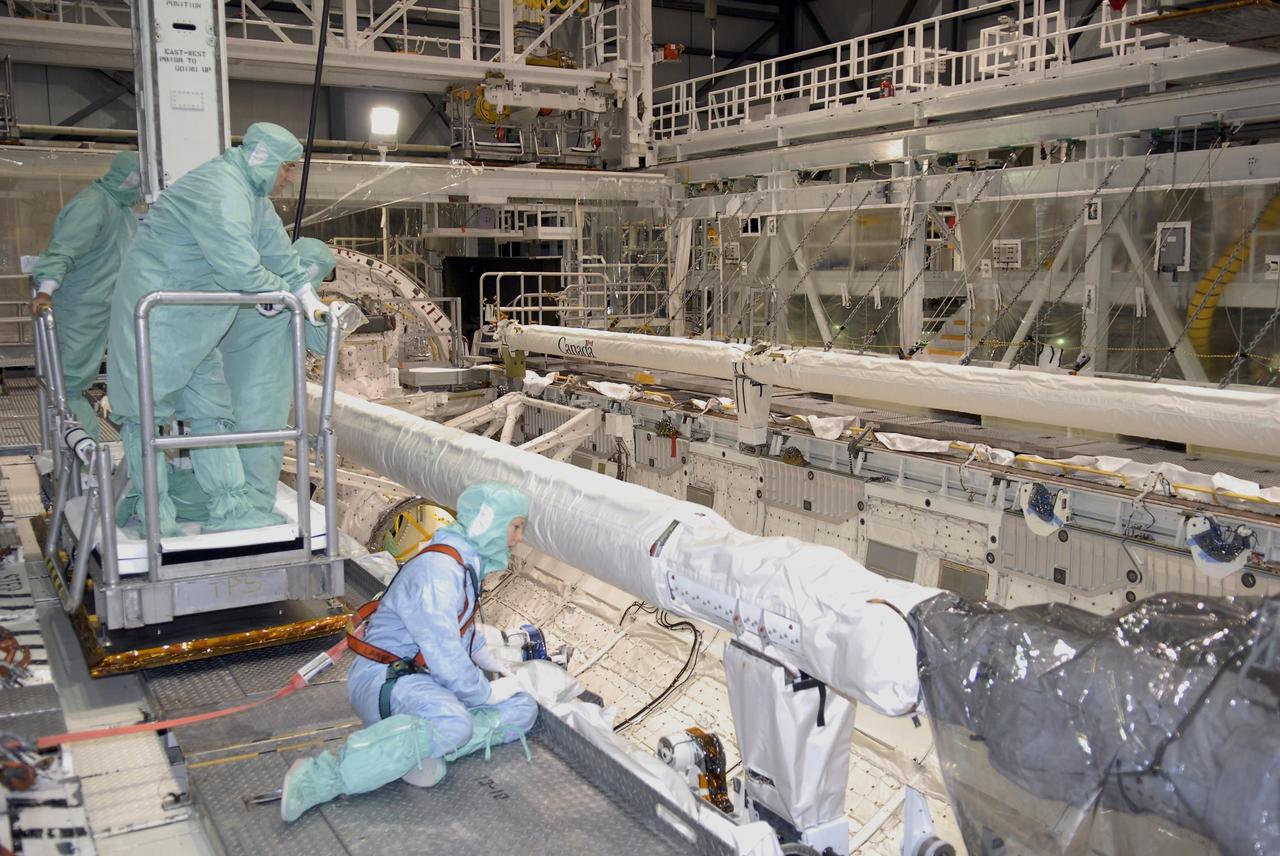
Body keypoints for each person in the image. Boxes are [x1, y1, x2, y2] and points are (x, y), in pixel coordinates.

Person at [106, 122, 327, 536]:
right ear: (264, 158)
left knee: (213, 411)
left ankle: (230, 508)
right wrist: (278, 294)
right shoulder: (221, 187)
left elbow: (275, 247)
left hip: (198, 321)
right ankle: (154, 514)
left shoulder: (251, 195)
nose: (289, 177)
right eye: (287, 168)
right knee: (146, 415)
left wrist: (306, 293)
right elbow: (237, 262)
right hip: (158, 317)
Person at [281, 482, 538, 822]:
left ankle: (415, 747)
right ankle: (320, 777)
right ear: (488, 522)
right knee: (455, 720)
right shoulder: (438, 571)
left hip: (421, 684)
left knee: (523, 709)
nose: (519, 538)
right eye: (516, 526)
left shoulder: (463, 567)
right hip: (386, 680)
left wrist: (488, 656)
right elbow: (444, 655)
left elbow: (455, 630)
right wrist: (486, 692)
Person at [212, 237, 338, 515]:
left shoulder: (253, 283)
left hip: (222, 386)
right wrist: (328, 310)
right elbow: (321, 340)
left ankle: (225, 508)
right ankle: (252, 517)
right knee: (259, 459)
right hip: (263, 395)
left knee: (222, 454)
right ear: (313, 271)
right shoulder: (291, 295)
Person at [30, 151, 142, 440]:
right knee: (67, 383)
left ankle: (90, 460)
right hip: (81, 309)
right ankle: (81, 456)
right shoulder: (93, 205)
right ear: (132, 179)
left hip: (109, 309)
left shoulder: (123, 211)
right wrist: (45, 292)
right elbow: (64, 249)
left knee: (119, 380)